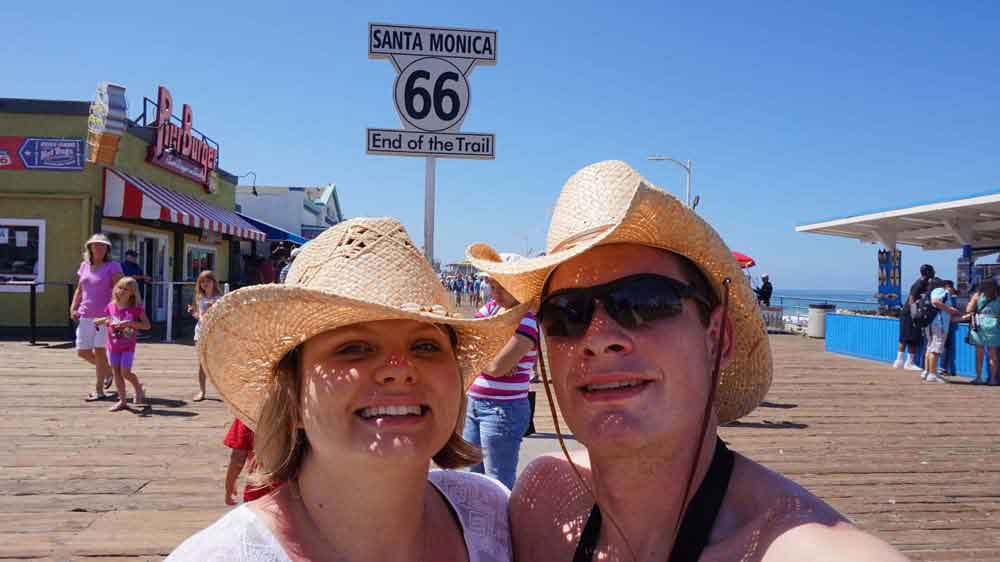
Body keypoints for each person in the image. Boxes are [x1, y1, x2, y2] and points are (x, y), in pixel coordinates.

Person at [468, 160, 907, 562]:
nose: (599, 340)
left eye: (645, 301)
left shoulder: (812, 550)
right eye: (567, 314)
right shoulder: (543, 502)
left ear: (717, 337)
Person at [167, 217, 526, 562]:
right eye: (354, 348)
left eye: (426, 346)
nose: (399, 371)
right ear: (291, 394)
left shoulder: (492, 513)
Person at [464, 268, 539, 490]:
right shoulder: (491, 308)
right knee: (473, 476)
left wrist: (482, 354)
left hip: (502, 409)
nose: (494, 294)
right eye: (492, 287)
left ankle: (500, 524)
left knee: (497, 481)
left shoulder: (528, 320)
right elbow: (468, 341)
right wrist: (492, 354)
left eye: (500, 288)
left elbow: (496, 367)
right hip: (475, 404)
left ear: (518, 288)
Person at [70, 233, 123, 401]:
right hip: (85, 315)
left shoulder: (113, 266)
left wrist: (115, 312)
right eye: (95, 245)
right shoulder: (84, 266)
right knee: (83, 352)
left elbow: (120, 291)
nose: (98, 248)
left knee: (100, 352)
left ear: (107, 249)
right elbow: (79, 289)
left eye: (102, 245)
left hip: (104, 317)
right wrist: (73, 307)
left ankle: (99, 390)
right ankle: (108, 371)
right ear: (90, 248)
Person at [95, 277, 150, 412]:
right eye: (120, 288)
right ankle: (123, 401)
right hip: (113, 345)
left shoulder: (136, 308)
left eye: (126, 289)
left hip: (128, 346)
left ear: (132, 293)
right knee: (116, 373)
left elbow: (146, 325)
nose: (122, 291)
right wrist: (99, 321)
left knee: (125, 372)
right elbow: (109, 319)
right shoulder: (111, 306)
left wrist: (130, 323)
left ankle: (138, 388)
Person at [223, 417, 280, 505]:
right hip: (297, 489)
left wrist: (229, 485)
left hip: (259, 489)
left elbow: (238, 458)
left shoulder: (248, 416)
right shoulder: (301, 413)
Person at [187, 270, 222, 401]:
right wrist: (192, 312)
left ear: (213, 282)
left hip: (214, 333)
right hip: (200, 332)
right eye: (202, 281)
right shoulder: (199, 297)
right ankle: (202, 391)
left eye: (207, 281)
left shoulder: (220, 298)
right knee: (202, 363)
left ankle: (224, 390)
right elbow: (199, 316)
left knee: (216, 363)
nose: (204, 284)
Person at [895, 264, 935, 370]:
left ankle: (899, 361)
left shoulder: (920, 282)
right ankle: (909, 362)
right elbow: (912, 297)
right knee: (912, 337)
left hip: (906, 312)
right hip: (910, 313)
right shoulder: (921, 283)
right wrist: (914, 313)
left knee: (904, 337)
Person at [923, 278, 963, 383]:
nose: (952, 290)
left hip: (932, 323)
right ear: (946, 286)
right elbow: (935, 302)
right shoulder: (941, 291)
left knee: (930, 347)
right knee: (936, 349)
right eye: (951, 288)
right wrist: (950, 310)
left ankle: (928, 372)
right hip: (938, 324)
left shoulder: (932, 292)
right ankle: (932, 374)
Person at [966, 279, 999, 385]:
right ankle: (993, 379)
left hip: (979, 325)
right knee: (992, 355)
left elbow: (969, 309)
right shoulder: (998, 296)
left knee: (979, 354)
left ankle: (979, 377)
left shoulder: (978, 295)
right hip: (994, 325)